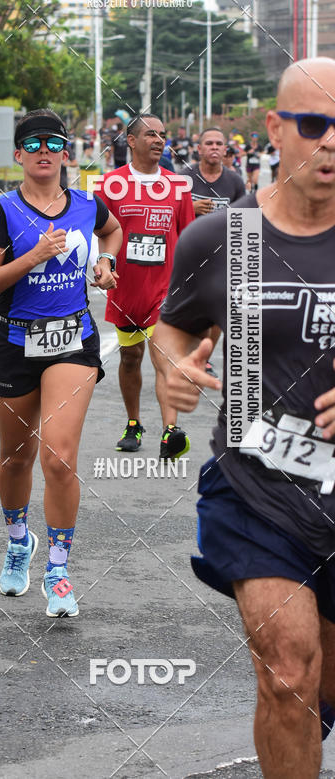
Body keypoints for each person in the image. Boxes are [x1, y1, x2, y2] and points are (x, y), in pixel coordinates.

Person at [154, 57, 335, 777]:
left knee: (321, 687)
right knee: (289, 671)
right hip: (258, 489)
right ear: (275, 129)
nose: (331, 143)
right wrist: (174, 369)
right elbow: (173, 326)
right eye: (316, 125)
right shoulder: (221, 239)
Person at [0, 108, 122, 618]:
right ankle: (19, 541)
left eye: (53, 142)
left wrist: (106, 264)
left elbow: (113, 231)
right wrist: (32, 256)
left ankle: (58, 569)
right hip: (13, 343)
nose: (43, 150)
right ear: (18, 155)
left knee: (58, 457)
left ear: (66, 152)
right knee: (16, 457)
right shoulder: (4, 210)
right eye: (32, 143)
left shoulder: (86, 204)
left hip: (72, 341)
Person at [96, 113, 195, 457]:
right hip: (124, 289)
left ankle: (171, 431)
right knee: (129, 359)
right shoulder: (111, 184)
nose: (158, 140)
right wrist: (102, 265)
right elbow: (99, 233)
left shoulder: (176, 186)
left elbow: (186, 238)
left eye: (163, 135)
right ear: (131, 140)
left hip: (163, 289)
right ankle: (134, 423)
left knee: (163, 356)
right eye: (150, 134)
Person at [185, 126, 245, 378]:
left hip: (223, 257)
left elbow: (246, 219)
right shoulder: (184, 178)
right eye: (208, 143)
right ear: (199, 149)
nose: (214, 148)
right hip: (189, 254)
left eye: (219, 144)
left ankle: (204, 358)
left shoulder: (234, 181)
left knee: (217, 312)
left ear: (225, 149)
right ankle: (194, 353)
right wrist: (191, 206)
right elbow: (169, 213)